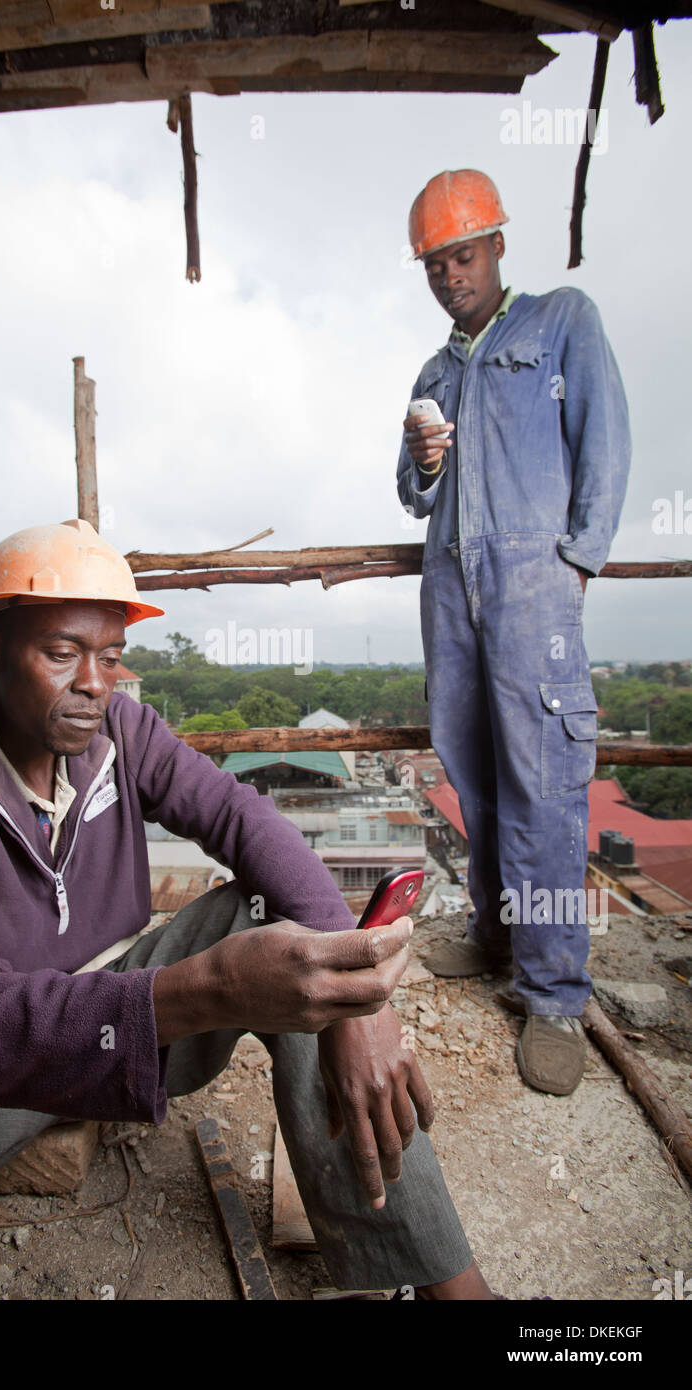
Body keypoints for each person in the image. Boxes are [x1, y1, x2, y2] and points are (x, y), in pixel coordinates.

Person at [0, 518, 495, 1300]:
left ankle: (455, 1293)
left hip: (114, 1025)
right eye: (61, 652)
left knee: (294, 930)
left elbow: (242, 819)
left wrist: (362, 996)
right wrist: (208, 990)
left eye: (110, 657)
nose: (94, 682)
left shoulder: (120, 731)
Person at [397, 170, 631, 1096]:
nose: (450, 274)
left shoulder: (561, 321)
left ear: (496, 244)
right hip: (450, 587)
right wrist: (419, 462)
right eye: (434, 263)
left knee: (545, 783)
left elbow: (604, 443)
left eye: (462, 254)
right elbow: (413, 494)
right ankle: (495, 934)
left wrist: (577, 562)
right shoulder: (432, 372)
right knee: (473, 772)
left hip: (534, 584)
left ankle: (555, 995)